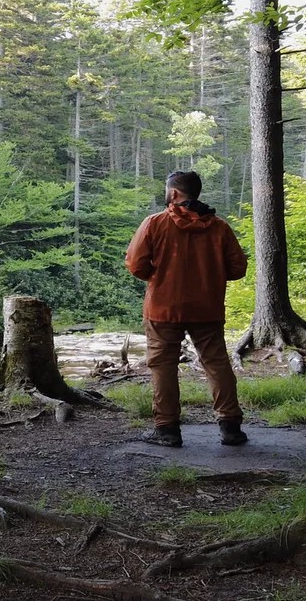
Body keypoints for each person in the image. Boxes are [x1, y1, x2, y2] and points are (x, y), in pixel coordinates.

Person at [125, 171, 248, 447]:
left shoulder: (154, 224)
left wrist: (160, 277)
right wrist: (210, 274)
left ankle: (167, 429)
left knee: (163, 366)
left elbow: (135, 265)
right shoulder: (219, 227)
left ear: (174, 194)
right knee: (216, 363)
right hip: (207, 308)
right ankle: (230, 427)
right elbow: (238, 268)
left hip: (163, 309)